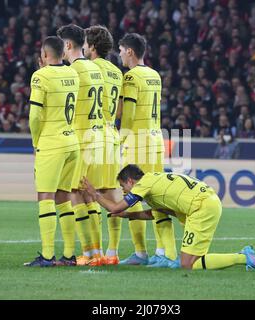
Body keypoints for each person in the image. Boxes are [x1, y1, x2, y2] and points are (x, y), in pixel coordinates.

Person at [81, 165, 255, 272]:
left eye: (124, 186)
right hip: (208, 203)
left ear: (131, 181)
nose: (124, 191)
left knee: (188, 264)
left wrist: (94, 194)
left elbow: (114, 207)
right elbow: (153, 212)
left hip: (201, 208)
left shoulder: (143, 184)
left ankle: (244, 256)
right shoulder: (156, 180)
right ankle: (244, 256)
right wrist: (128, 215)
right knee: (192, 261)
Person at [118, 33, 177, 267]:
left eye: (122, 50)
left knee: (131, 197)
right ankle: (163, 251)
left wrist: (122, 139)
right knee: (157, 196)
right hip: (155, 140)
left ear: (130, 51)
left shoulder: (131, 77)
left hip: (138, 142)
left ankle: (141, 253)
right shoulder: (154, 75)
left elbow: (129, 114)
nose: (120, 54)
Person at [24, 37, 80, 267]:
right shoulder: (73, 74)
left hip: (51, 142)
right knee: (64, 199)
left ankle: (47, 256)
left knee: (45, 197)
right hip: (72, 142)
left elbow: (35, 116)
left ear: (45, 55)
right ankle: (69, 255)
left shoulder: (40, 76)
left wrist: (36, 142)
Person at [57, 24, 105, 266]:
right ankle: (97, 252)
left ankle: (87, 254)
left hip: (82, 137)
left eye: (61, 46)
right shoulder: (94, 68)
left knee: (74, 193)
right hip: (98, 135)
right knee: (89, 195)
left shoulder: (74, 69)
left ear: (67, 45)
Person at [83, 25, 123, 265]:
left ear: (93, 46)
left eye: (86, 43)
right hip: (112, 134)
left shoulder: (88, 67)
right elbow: (119, 109)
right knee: (111, 192)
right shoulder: (117, 72)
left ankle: (94, 253)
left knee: (88, 193)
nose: (84, 47)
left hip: (93, 135)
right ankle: (113, 252)